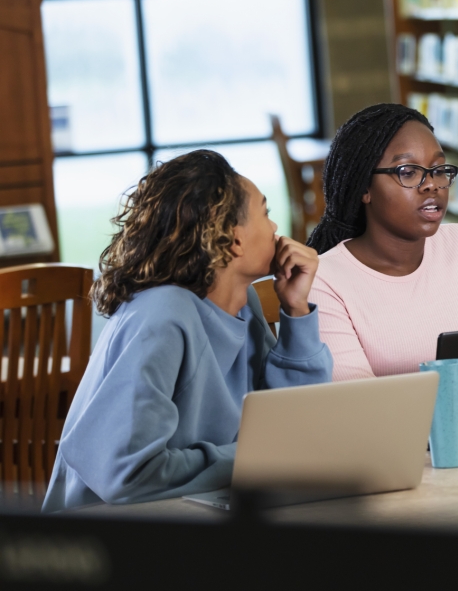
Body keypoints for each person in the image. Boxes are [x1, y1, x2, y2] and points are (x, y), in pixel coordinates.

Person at [43, 150, 332, 512]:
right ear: (232, 237)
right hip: (107, 539)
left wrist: (296, 309)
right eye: (266, 213)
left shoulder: (244, 305)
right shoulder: (161, 314)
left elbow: (292, 424)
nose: (276, 229)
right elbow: (126, 473)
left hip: (191, 518)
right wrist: (255, 459)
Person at [307, 103, 458, 380]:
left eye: (438, 170)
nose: (431, 185)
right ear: (365, 188)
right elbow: (359, 403)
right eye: (408, 172)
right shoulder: (324, 279)